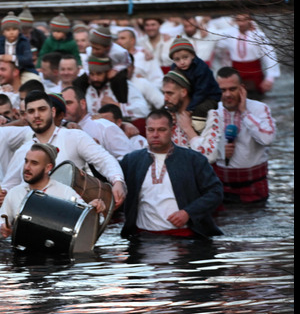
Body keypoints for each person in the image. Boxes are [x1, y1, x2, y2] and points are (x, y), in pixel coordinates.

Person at [118, 110, 223, 239]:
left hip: (186, 238)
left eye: (161, 130)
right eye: (151, 130)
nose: (155, 135)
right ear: (145, 130)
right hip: (143, 238)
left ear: (172, 131)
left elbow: (215, 192)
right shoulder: (131, 161)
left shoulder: (193, 159)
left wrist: (188, 212)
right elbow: (111, 185)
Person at [0, 143, 104, 239]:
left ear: (48, 168)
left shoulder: (65, 192)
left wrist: (95, 210)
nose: (27, 167)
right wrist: (1, 227)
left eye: (34, 163)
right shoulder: (15, 193)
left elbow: (94, 222)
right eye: (26, 161)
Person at [213, 67, 276, 205]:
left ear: (242, 88)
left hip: (254, 187)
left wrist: (245, 112)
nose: (228, 94)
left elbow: (267, 138)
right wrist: (219, 151)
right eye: (223, 90)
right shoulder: (213, 111)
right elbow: (199, 149)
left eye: (232, 89)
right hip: (221, 186)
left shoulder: (260, 108)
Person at [161, 71, 222, 162]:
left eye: (170, 93)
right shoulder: (168, 116)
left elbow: (210, 156)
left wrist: (188, 129)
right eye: (164, 93)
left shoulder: (210, 115)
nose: (165, 98)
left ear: (183, 92)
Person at [215, 14, 281, 96]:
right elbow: (217, 42)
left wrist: (270, 78)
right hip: (236, 72)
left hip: (254, 72)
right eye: (239, 20)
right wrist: (225, 63)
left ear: (250, 20)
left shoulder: (258, 35)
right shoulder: (230, 33)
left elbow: (269, 54)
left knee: (255, 98)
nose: (241, 24)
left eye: (244, 20)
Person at [167, 36, 221, 118]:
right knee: (170, 108)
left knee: (199, 110)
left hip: (209, 96)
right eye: (177, 59)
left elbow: (201, 91)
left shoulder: (201, 68)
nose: (182, 62)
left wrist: (189, 109)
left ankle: (197, 129)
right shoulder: (175, 68)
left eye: (185, 57)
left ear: (192, 55)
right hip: (190, 96)